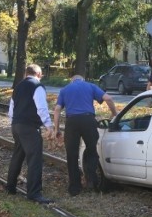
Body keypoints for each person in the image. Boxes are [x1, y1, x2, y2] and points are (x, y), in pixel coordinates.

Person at [53, 75, 117, 196]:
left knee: (72, 155)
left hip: (72, 123)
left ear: (72, 80)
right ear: (82, 80)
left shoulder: (65, 89)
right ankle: (92, 181)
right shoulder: (90, 86)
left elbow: (57, 110)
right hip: (88, 120)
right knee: (92, 150)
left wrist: (56, 129)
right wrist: (114, 113)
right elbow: (108, 98)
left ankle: (74, 188)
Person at [6, 64, 54, 204]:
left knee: (17, 156)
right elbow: (41, 107)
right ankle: (34, 193)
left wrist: (15, 123)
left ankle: (10, 186)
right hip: (29, 127)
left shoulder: (18, 87)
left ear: (26, 73)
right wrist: (49, 126)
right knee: (34, 159)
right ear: (38, 74)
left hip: (16, 125)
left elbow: (11, 109)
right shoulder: (37, 86)